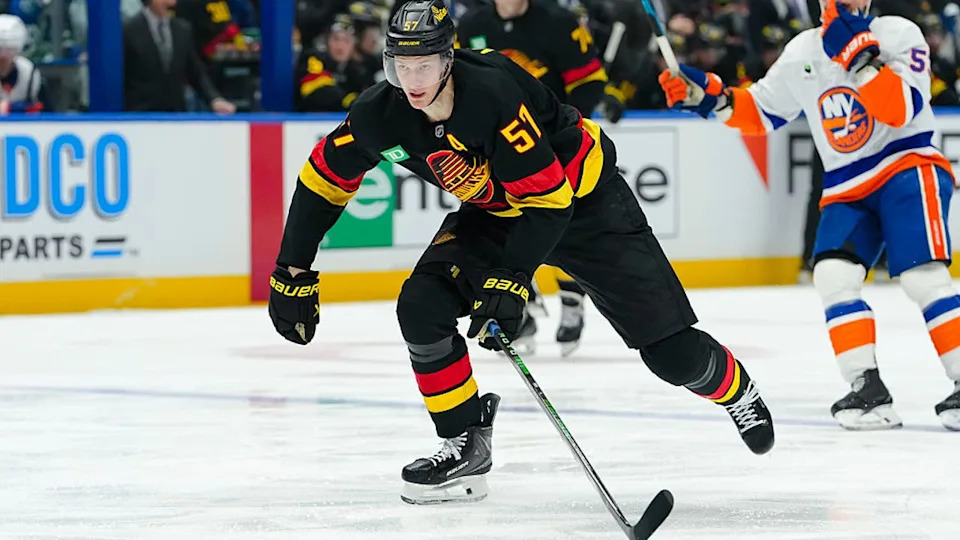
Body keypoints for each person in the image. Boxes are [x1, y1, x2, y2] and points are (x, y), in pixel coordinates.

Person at [268, 0, 775, 505]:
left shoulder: (492, 93)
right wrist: (292, 266)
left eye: (423, 65)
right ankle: (465, 442)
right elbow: (324, 178)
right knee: (422, 305)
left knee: (673, 355)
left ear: (448, 59)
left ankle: (737, 392)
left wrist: (511, 277)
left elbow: (551, 203)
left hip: (583, 205)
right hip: (498, 212)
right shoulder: (381, 113)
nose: (412, 79)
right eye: (401, 66)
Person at [659, 0, 960, 431]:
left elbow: (899, 110)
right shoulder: (803, 50)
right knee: (833, 277)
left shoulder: (898, 34)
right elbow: (761, 111)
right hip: (845, 182)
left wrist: (858, 57)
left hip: (907, 165)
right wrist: (708, 96)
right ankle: (867, 387)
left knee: (922, 277)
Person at [456, 0, 612, 355]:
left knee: (560, 222)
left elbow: (589, 81)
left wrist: (566, 131)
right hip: (496, 145)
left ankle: (572, 298)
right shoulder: (471, 25)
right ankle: (520, 309)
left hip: (555, 146)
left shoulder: (560, 22)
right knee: (497, 222)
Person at [123, 0, 236, 113]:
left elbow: (196, 72)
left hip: (176, 114)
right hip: (140, 115)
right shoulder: (128, 31)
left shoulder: (182, 30)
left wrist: (214, 99)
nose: (171, 3)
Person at [0, 14, 48, 114]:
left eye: (9, 49)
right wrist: (9, 108)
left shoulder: (29, 72)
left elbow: (46, 111)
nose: (3, 56)